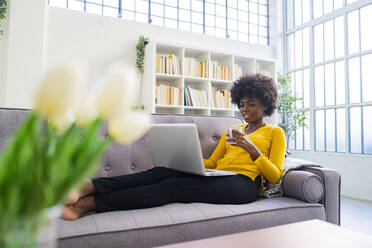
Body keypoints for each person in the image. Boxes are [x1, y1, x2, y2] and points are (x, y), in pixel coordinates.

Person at [61, 74, 286, 221]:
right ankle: (89, 186)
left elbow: (274, 175)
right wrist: (185, 159)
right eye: (242, 104)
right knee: (162, 172)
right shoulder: (234, 128)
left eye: (252, 105)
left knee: (172, 188)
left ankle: (86, 205)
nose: (245, 110)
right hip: (220, 175)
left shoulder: (275, 133)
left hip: (243, 185)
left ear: (266, 104)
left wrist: (252, 150)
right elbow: (214, 164)